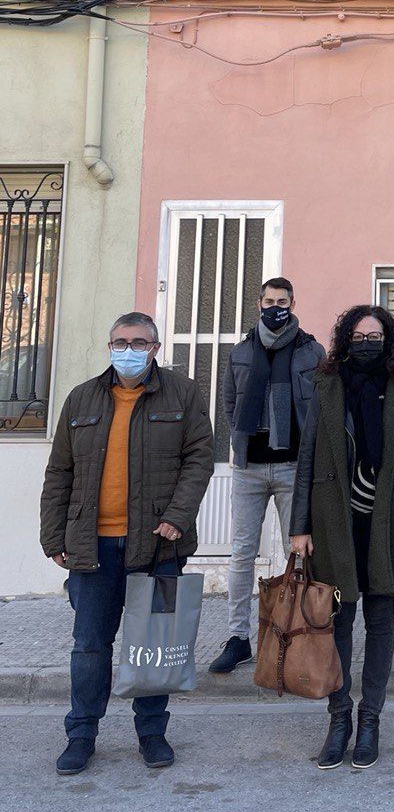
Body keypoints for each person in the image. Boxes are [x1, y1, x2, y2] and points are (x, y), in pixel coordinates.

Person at [39, 312, 214, 776]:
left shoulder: (183, 392)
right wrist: (52, 535)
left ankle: (152, 733)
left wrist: (178, 517)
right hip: (92, 547)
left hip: (158, 546)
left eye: (139, 342)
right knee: (90, 647)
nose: (128, 349)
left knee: (152, 643)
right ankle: (80, 736)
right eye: (120, 341)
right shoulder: (81, 398)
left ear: (155, 348)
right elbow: (59, 472)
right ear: (109, 345)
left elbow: (200, 459)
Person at [290, 304, 394, 772]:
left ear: (388, 340)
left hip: (389, 519)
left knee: (382, 616)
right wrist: (299, 526)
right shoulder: (326, 384)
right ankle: (339, 718)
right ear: (345, 339)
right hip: (336, 518)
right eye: (358, 335)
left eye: (375, 335)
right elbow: (307, 455)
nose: (366, 342)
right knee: (340, 621)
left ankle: (371, 719)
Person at [209, 277, 324, 674]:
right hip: (249, 469)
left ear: (293, 304)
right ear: (258, 303)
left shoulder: (311, 351)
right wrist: (244, 440)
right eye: (269, 301)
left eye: (283, 301)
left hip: (294, 466)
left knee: (300, 552)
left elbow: (321, 407)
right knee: (242, 553)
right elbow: (229, 402)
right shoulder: (241, 351)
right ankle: (239, 637)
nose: (276, 307)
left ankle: (296, 632)